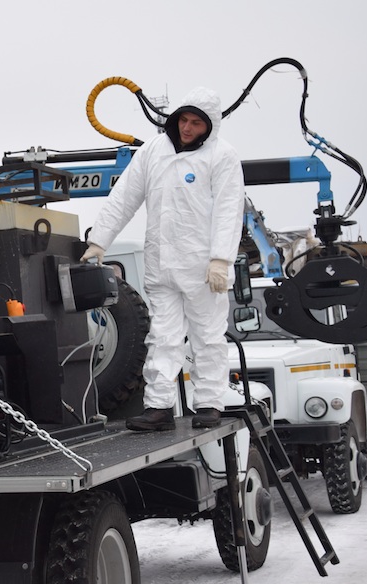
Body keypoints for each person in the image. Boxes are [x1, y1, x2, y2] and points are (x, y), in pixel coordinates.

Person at [80, 87, 245, 431]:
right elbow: (125, 195)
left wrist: (221, 259)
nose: (187, 128)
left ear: (209, 125)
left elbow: (230, 210)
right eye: (183, 120)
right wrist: (99, 241)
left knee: (208, 336)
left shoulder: (222, 156)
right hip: (162, 263)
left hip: (203, 268)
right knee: (162, 337)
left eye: (196, 123)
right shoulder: (154, 151)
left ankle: (209, 404)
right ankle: (159, 407)